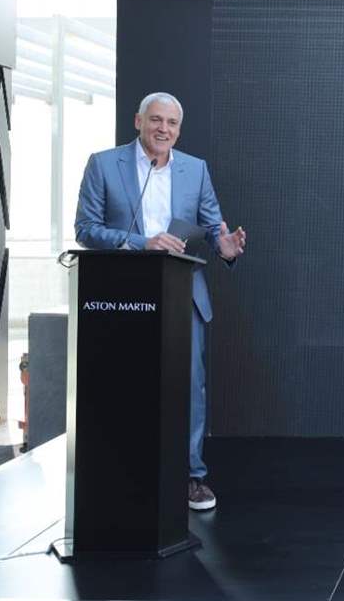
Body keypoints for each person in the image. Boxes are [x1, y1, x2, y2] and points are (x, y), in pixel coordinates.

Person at [74, 92, 246, 511]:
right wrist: (141, 242)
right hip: (122, 294)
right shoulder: (103, 164)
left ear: (178, 130)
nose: (163, 129)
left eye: (171, 123)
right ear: (138, 121)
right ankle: (121, 475)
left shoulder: (195, 169)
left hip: (182, 293)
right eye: (155, 120)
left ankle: (191, 476)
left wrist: (224, 246)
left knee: (188, 386)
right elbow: (85, 228)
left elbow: (213, 226)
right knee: (123, 384)